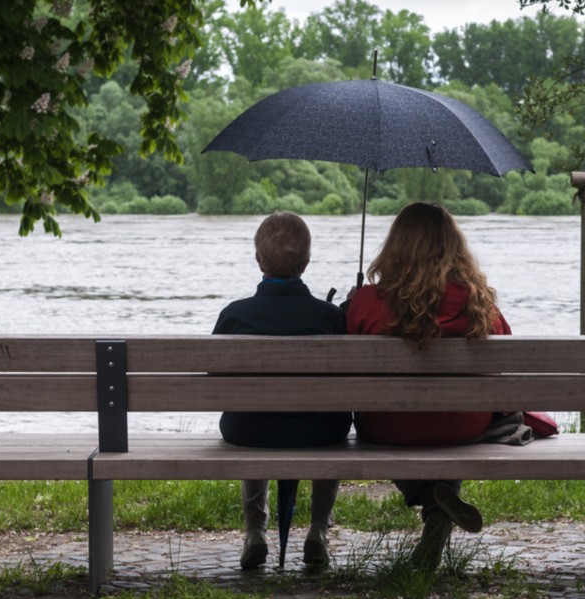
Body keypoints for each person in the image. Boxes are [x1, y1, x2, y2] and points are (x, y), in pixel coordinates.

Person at [345, 201, 512, 571]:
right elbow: (502, 364)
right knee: (445, 422)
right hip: (463, 424)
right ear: (454, 248)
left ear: (395, 247)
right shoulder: (478, 303)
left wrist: (354, 303)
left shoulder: (370, 301)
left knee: (408, 425)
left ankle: (429, 498)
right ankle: (439, 501)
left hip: (387, 427)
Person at [213, 211, 352, 570]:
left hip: (249, 431)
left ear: (259, 259)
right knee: (333, 418)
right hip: (319, 432)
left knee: (250, 411)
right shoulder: (330, 318)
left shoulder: (234, 315)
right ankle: (318, 530)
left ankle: (255, 532)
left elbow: (215, 380)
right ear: (306, 263)